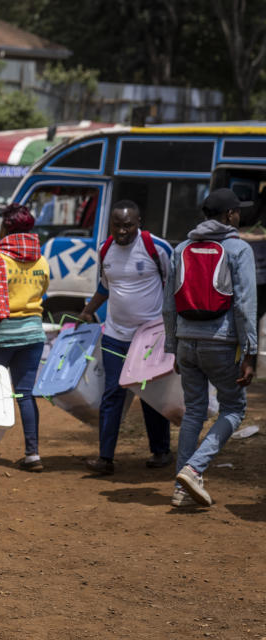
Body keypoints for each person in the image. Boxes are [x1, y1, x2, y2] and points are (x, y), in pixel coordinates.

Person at [163, 188, 258, 507]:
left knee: (194, 412)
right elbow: (245, 304)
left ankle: (181, 490)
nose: (240, 215)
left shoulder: (182, 248)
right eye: (237, 211)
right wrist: (250, 353)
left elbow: (168, 305)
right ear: (230, 215)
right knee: (234, 408)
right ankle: (193, 469)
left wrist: (173, 346)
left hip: (187, 343)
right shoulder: (238, 249)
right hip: (220, 342)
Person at [78, 201, 173, 475]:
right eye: (117, 225)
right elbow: (105, 286)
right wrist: (87, 311)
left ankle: (161, 451)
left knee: (150, 395)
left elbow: (173, 284)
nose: (122, 231)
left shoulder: (157, 247)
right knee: (112, 395)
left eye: (128, 225)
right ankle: (105, 458)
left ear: (138, 221)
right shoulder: (105, 249)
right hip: (115, 336)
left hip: (150, 339)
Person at [0, 204, 49, 471]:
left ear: (5, 227)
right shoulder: (41, 259)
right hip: (33, 333)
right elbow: (44, 288)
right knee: (25, 394)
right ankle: (33, 454)